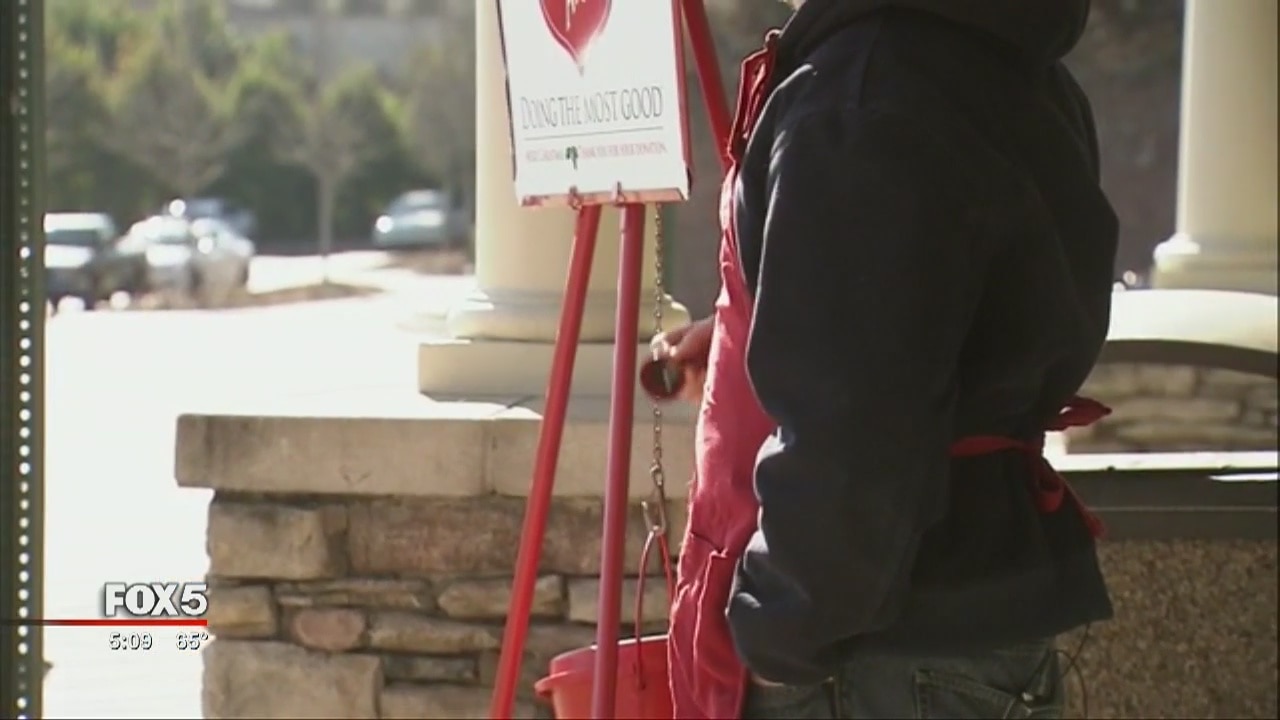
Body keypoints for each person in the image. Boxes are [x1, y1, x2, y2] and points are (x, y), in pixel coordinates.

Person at [653, 1, 1119, 718]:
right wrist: (754, 338)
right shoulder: (1004, 61)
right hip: (965, 622)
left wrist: (781, 635)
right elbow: (959, 315)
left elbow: (858, 433)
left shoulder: (864, 91)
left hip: (875, 653)